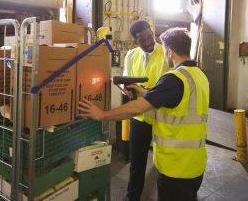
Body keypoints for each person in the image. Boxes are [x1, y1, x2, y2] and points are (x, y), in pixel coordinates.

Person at [79, 28, 209, 201]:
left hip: (176, 167)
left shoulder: (175, 78)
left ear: (169, 51)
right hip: (195, 164)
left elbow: (137, 108)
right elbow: (175, 101)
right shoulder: (199, 76)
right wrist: (144, 92)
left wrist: (102, 114)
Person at [122, 20, 168, 201]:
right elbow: (126, 79)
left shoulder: (166, 53)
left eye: (150, 37)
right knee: (137, 163)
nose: (148, 42)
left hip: (162, 117)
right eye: (142, 40)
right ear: (135, 41)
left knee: (164, 164)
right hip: (140, 117)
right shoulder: (131, 56)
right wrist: (125, 88)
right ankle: (132, 198)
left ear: (153, 32)